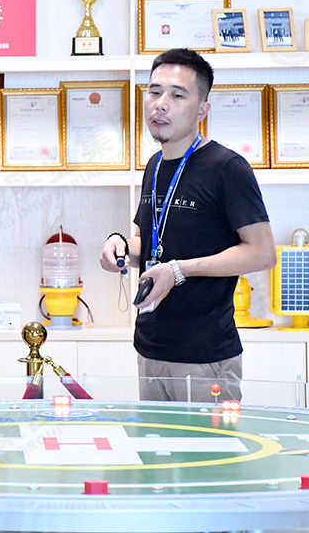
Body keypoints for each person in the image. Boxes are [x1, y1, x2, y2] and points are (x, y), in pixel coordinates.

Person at [99, 48, 276, 402]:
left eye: (177, 95)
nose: (161, 104)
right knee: (153, 440)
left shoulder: (227, 167)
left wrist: (179, 271)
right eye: (154, 92)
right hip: (150, 348)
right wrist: (120, 247)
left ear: (202, 109)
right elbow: (152, 244)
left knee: (206, 442)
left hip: (205, 356)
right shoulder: (154, 165)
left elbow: (262, 253)